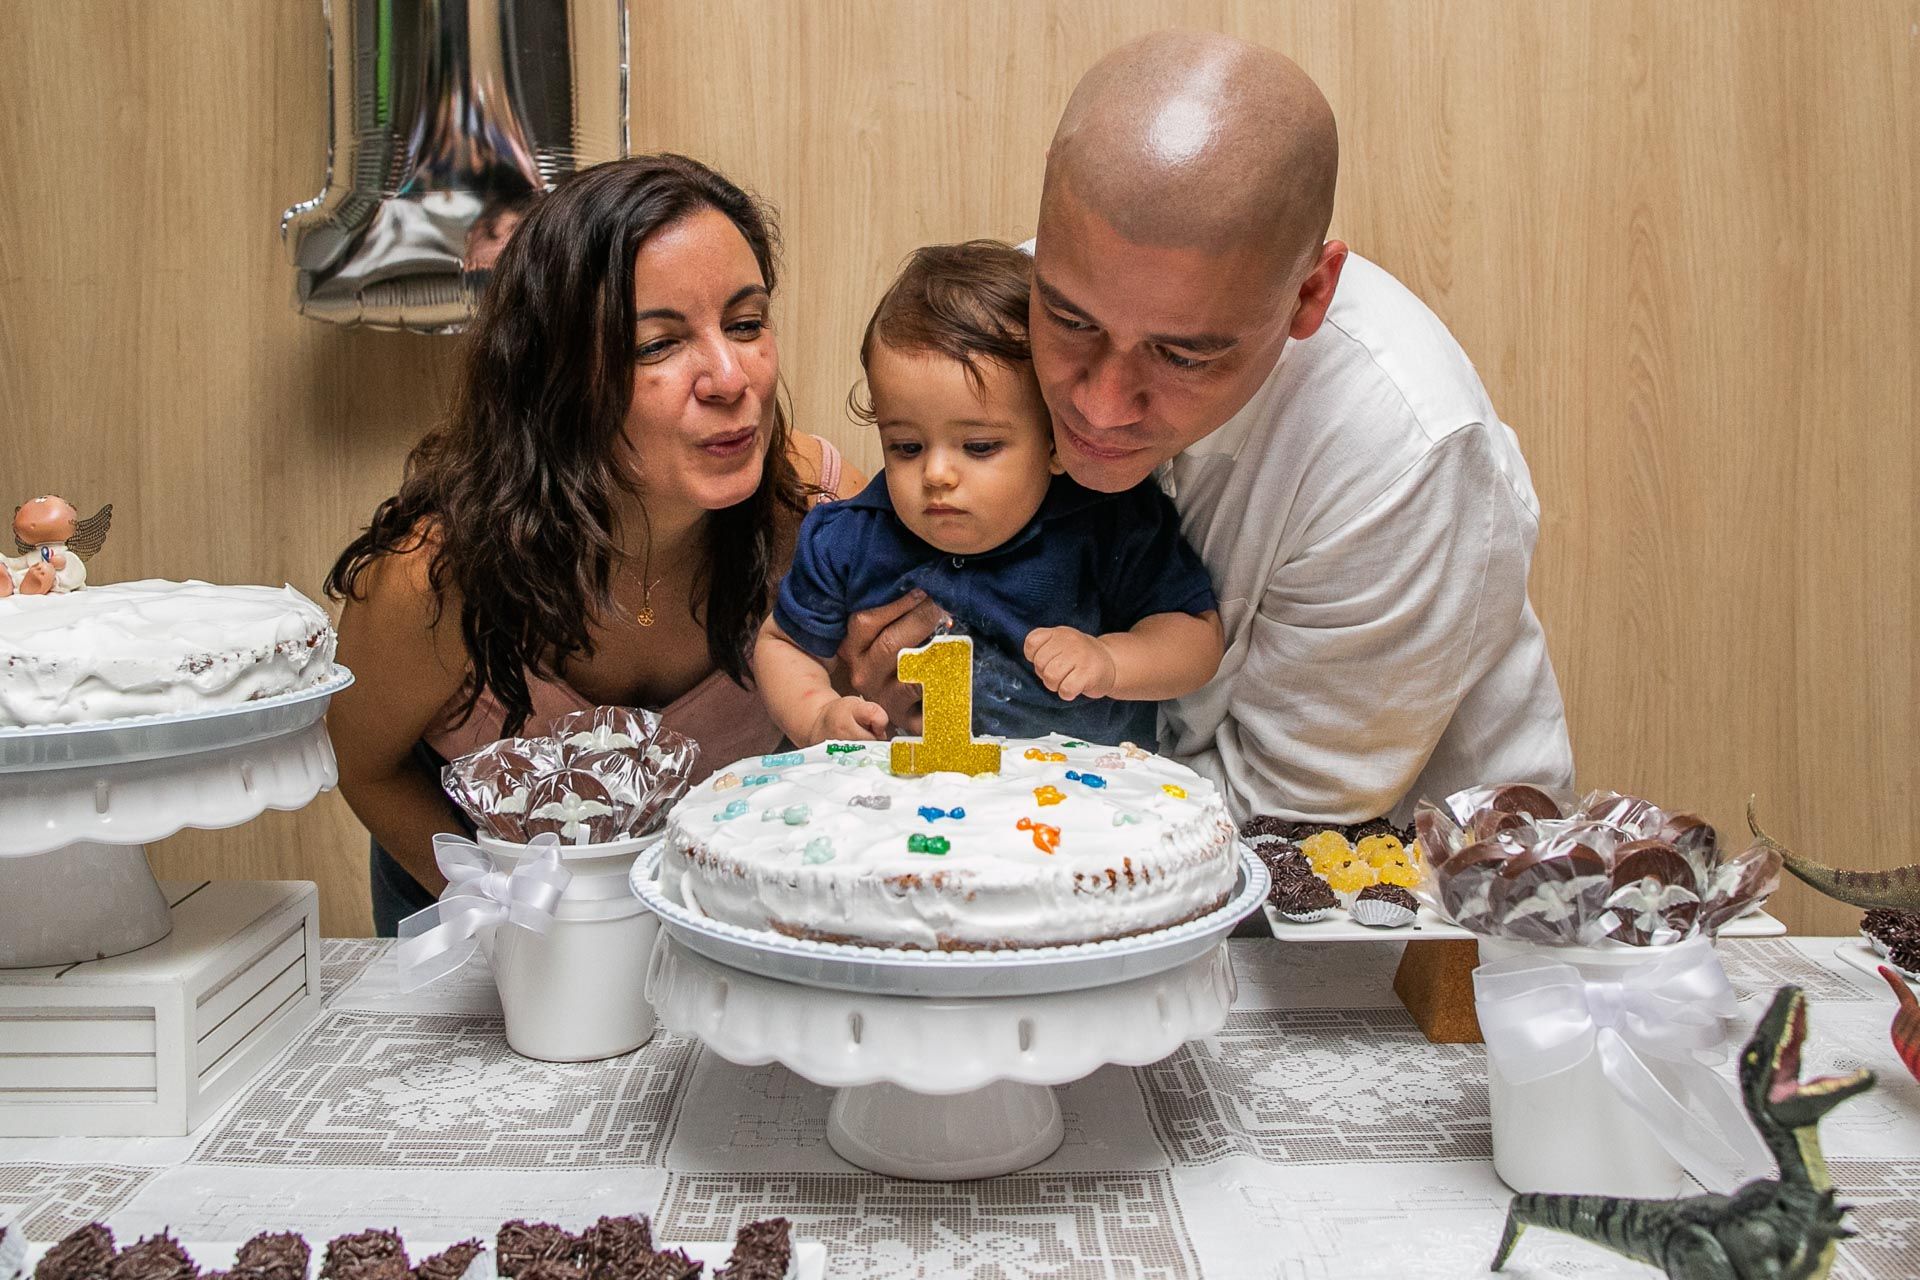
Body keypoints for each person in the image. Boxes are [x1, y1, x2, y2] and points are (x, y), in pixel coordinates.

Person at [841, 31, 1574, 826]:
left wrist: (1000, 812)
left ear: (1309, 295)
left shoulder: (1404, 453)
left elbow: (1280, 810)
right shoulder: (1007, 315)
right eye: (1072, 321)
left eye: (1183, 356)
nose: (1100, 406)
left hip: (1374, 875)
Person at [326, 154, 862, 935]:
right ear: (557, 375)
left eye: (746, 325)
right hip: (501, 920)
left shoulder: (821, 516)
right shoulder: (432, 580)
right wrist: (504, 918)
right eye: (658, 345)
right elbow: (362, 763)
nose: (729, 377)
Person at [752, 240, 1222, 749]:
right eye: (906, 447)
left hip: (1083, 793)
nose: (936, 474)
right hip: (909, 793)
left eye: (978, 447)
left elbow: (1196, 639)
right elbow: (783, 646)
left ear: (1056, 441)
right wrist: (818, 716)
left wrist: (1110, 660)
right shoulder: (849, 538)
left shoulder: (1109, 522)